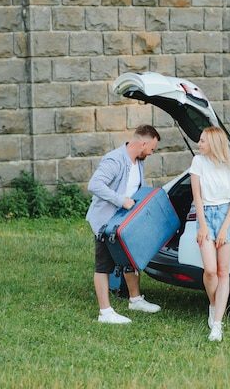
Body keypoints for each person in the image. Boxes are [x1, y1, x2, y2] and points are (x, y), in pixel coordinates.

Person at [86, 124, 163, 324]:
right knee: (103, 265)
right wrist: (121, 200)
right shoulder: (115, 159)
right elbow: (94, 185)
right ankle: (105, 312)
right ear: (143, 143)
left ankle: (135, 299)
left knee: (131, 257)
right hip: (106, 223)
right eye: (152, 149)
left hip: (125, 221)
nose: (151, 153)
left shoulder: (139, 161)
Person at [190, 126, 230, 342]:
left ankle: (217, 324)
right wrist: (203, 226)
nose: (199, 144)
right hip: (206, 216)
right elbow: (197, 198)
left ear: (214, 143)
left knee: (223, 271)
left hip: (225, 216)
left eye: (203, 141)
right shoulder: (198, 162)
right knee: (210, 270)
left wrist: (224, 228)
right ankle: (213, 304)